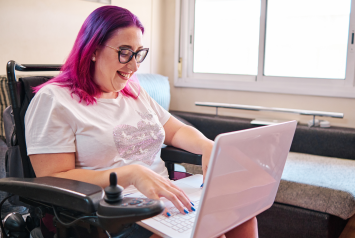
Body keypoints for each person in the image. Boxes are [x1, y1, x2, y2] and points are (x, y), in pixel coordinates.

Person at [24, 5, 258, 238]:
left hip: (164, 203)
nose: (135, 66)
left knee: (243, 213)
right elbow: (54, 178)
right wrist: (130, 174)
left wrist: (207, 146)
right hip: (111, 218)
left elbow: (175, 131)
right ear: (93, 50)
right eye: (124, 52)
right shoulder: (54, 99)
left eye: (138, 53)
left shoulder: (133, 92)